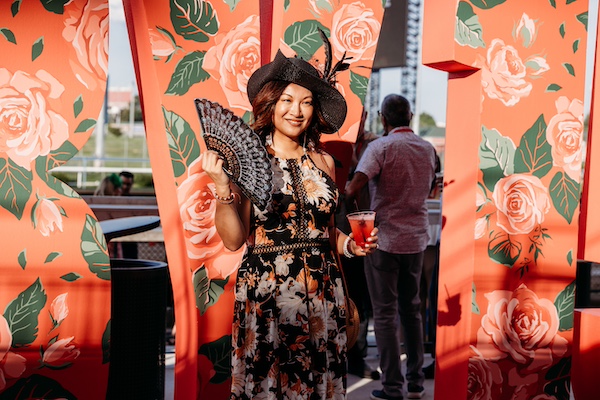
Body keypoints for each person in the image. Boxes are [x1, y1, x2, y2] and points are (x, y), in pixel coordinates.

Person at [201, 49, 379, 399]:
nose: (296, 110)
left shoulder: (325, 162)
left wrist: (351, 246)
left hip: (322, 291)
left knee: (317, 383)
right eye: (287, 100)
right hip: (268, 292)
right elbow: (234, 240)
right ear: (270, 104)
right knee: (270, 385)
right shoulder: (250, 161)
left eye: (306, 102)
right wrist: (222, 187)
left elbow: (324, 231)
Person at [346, 94, 436, 400]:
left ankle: (392, 387)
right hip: (416, 240)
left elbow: (353, 188)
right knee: (412, 312)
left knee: (384, 315)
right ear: (410, 116)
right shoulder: (427, 148)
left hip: (383, 242)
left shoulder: (380, 147)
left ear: (383, 120)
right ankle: (416, 383)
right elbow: (430, 188)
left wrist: (355, 213)